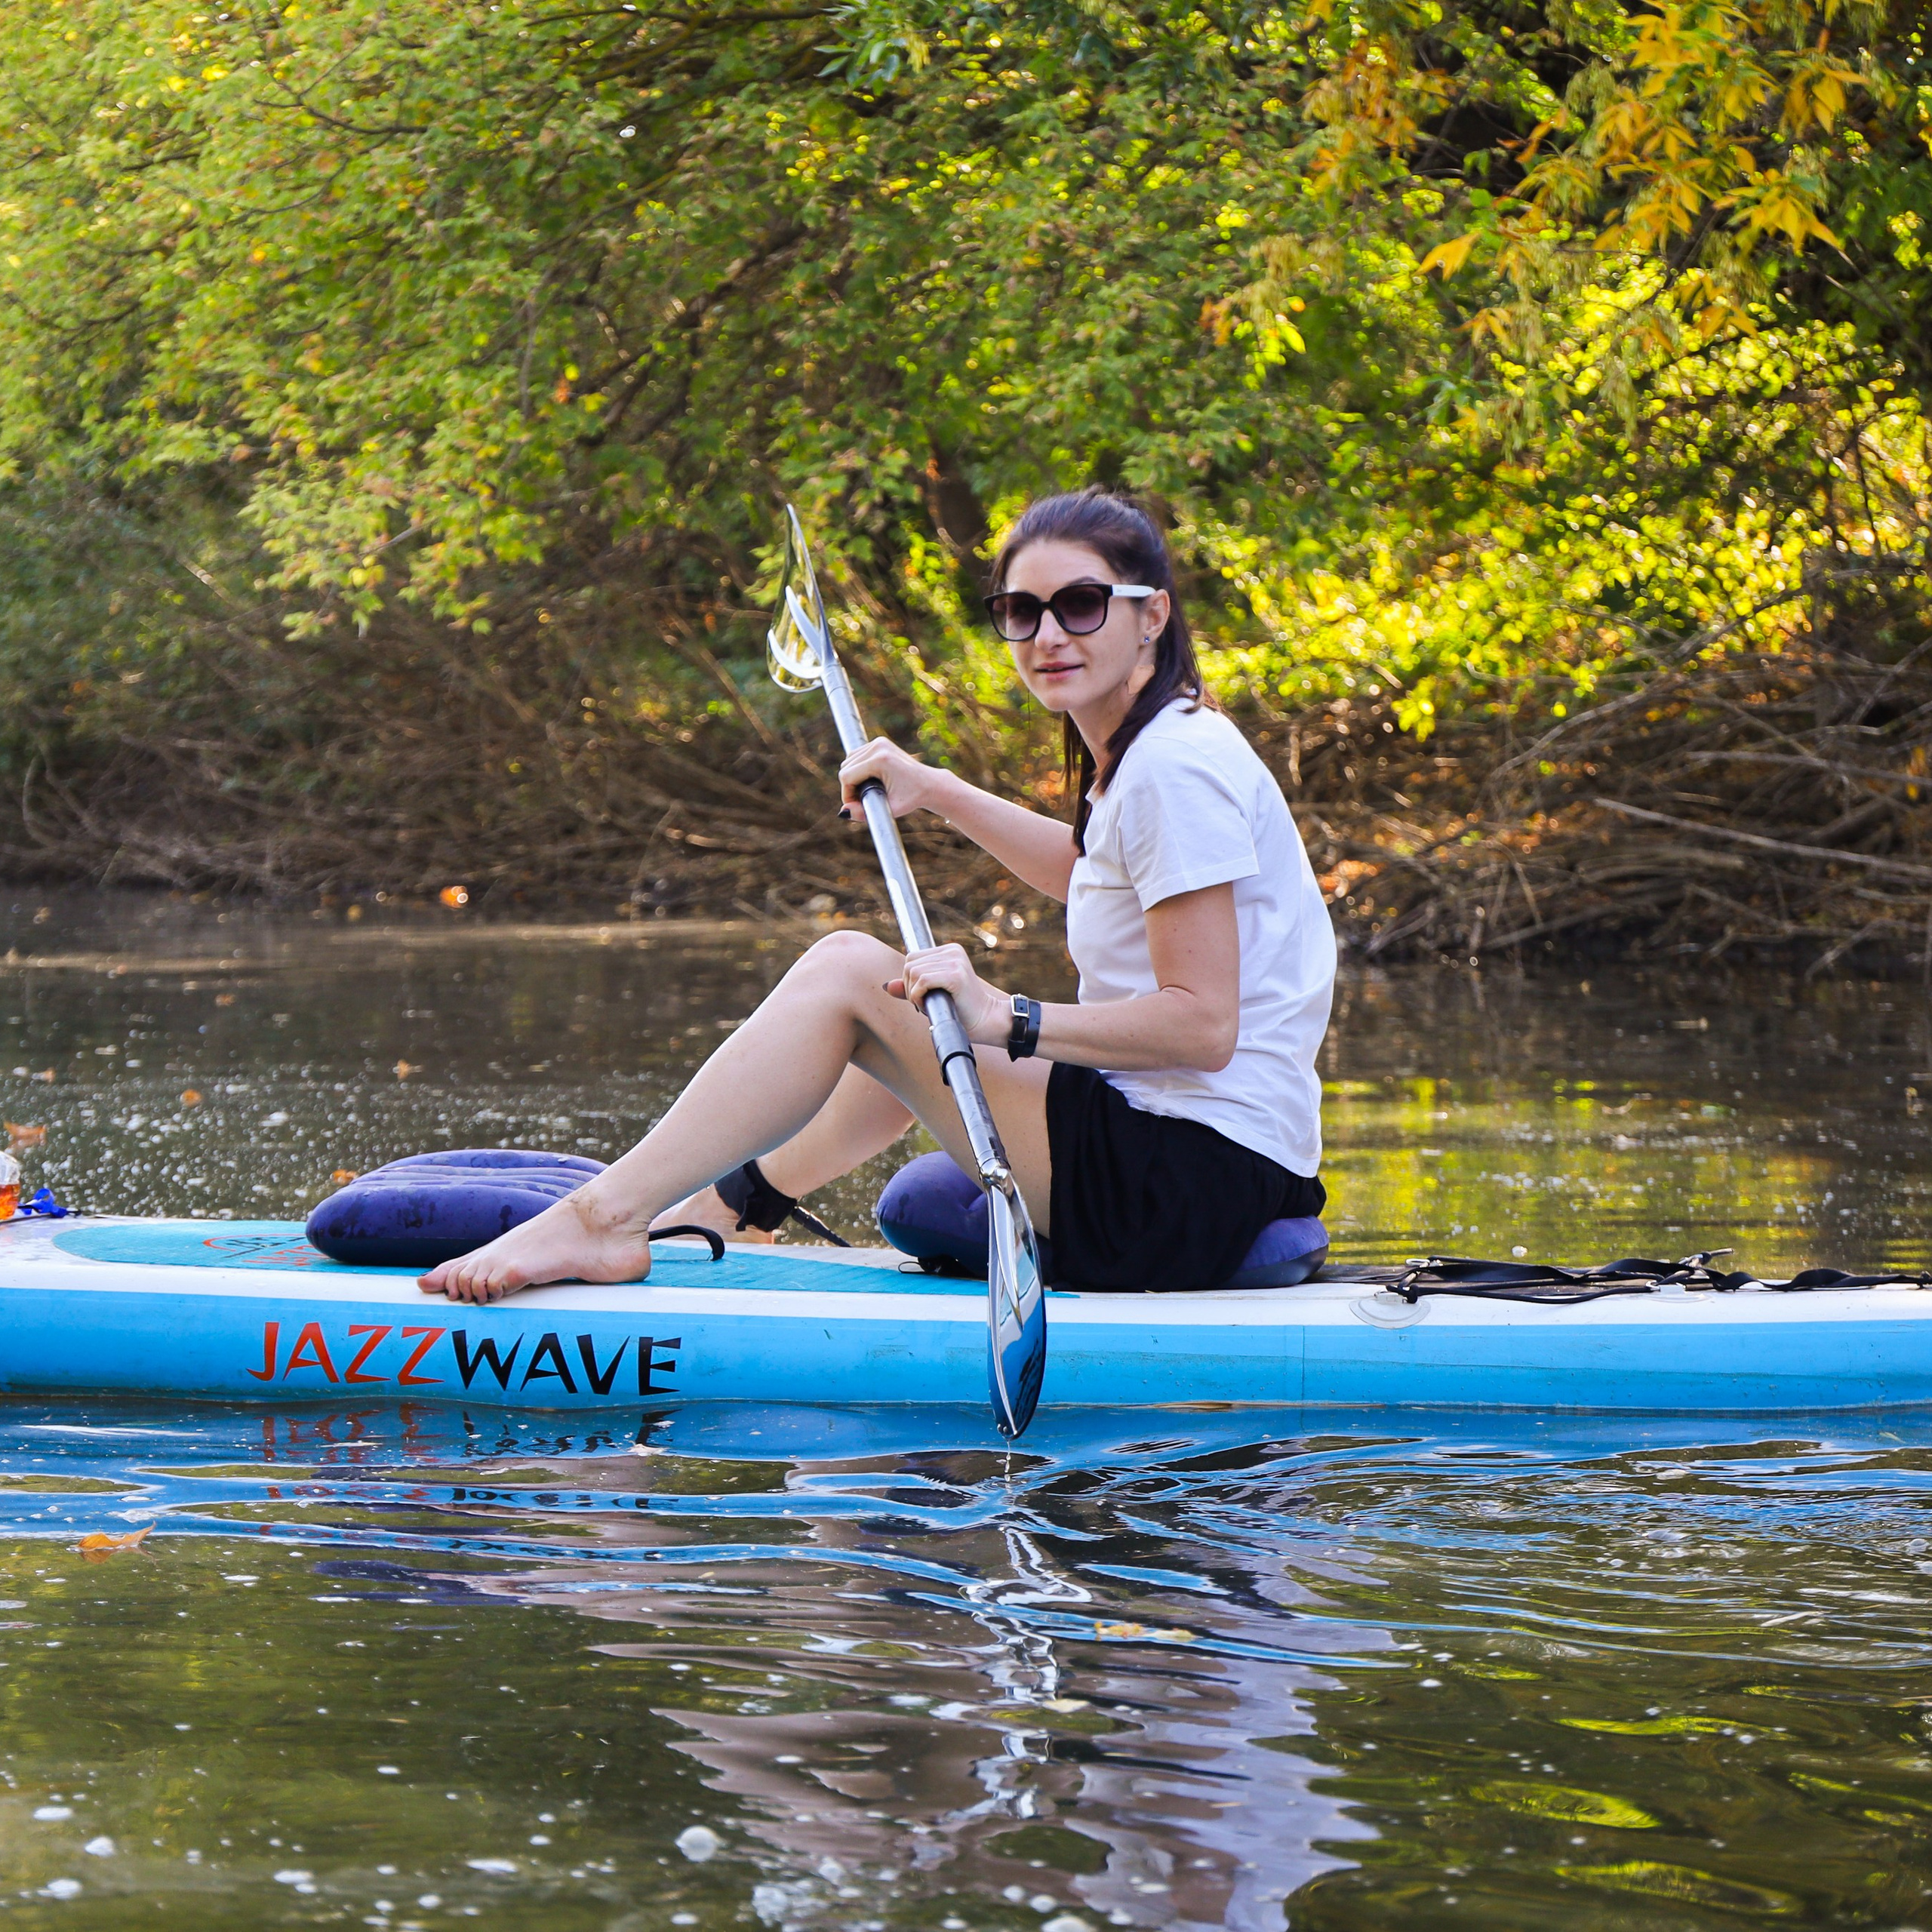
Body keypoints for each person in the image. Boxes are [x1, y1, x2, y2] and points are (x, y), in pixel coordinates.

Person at [419, 488, 1337, 1306]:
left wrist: (1005, 1017)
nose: (1049, 635)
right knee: (897, 997)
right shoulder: (1144, 752)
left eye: (1081, 604)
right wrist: (934, 788)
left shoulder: (1175, 765)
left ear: (1152, 616)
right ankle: (725, 1210)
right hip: (1196, 1156)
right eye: (1022, 611)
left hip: (1188, 1176)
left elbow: (1202, 1025)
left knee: (853, 971)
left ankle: (605, 1216)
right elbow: (1089, 875)